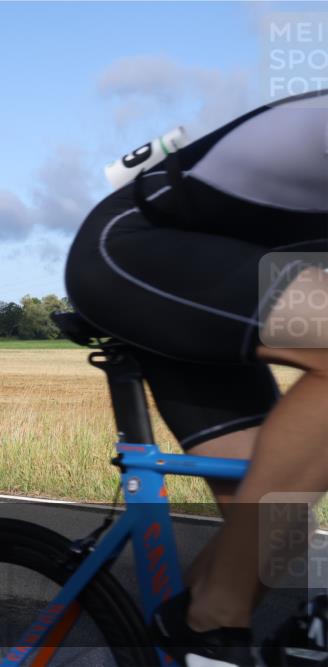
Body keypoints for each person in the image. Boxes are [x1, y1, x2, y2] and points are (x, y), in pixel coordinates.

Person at [64, 89, 328, 667]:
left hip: (221, 278)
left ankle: (189, 633)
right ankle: (208, 623)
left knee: (278, 530)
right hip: (131, 251)